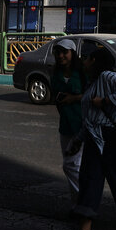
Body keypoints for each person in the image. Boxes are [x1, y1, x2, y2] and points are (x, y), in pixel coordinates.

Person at [62, 47, 116, 230]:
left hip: (109, 137)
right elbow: (91, 118)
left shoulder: (107, 76)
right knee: (107, 176)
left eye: (87, 58)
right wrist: (79, 139)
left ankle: (87, 228)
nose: (84, 61)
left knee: (97, 177)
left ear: (95, 60)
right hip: (95, 136)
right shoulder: (94, 80)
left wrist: (105, 100)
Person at [50, 38, 86, 204]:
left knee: (71, 166)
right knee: (74, 166)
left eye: (65, 52)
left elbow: (92, 95)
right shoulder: (55, 73)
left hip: (82, 125)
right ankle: (77, 204)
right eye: (58, 53)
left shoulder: (82, 72)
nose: (61, 56)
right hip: (65, 126)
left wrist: (74, 98)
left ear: (73, 53)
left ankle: (84, 204)